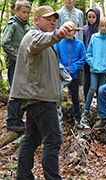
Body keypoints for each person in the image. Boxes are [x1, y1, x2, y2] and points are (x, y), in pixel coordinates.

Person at [10, 6, 74, 179]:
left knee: (32, 138)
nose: (53, 21)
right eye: (48, 19)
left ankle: (23, 176)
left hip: (40, 96)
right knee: (53, 139)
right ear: (36, 20)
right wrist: (59, 34)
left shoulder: (45, 40)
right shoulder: (33, 36)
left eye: (54, 19)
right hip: (40, 98)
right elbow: (40, 41)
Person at [81, 17, 106, 127]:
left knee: (102, 90)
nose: (104, 28)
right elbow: (88, 53)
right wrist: (92, 62)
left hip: (105, 69)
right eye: (102, 25)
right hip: (94, 68)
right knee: (92, 88)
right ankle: (86, 110)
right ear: (99, 26)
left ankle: (102, 112)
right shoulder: (94, 37)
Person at [2, 0, 31, 132]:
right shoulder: (12, 24)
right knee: (15, 91)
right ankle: (11, 121)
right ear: (16, 11)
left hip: (24, 63)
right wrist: (17, 57)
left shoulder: (25, 25)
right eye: (23, 12)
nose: (26, 15)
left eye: (28, 13)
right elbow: (5, 43)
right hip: (15, 63)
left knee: (22, 91)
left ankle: (18, 119)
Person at [55, 23, 86, 129]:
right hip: (60, 74)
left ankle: (77, 119)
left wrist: (71, 68)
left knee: (75, 97)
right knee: (57, 96)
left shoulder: (80, 44)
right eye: (66, 30)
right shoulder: (58, 43)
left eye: (71, 30)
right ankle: (57, 120)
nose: (69, 32)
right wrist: (62, 69)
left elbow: (82, 59)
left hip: (74, 75)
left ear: (75, 31)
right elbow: (56, 57)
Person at [83, 8, 100, 101]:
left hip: (97, 59)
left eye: (93, 17)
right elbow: (83, 42)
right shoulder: (85, 29)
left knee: (97, 82)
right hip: (86, 59)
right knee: (87, 80)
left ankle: (99, 102)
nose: (91, 19)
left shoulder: (99, 30)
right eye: (89, 17)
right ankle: (86, 101)